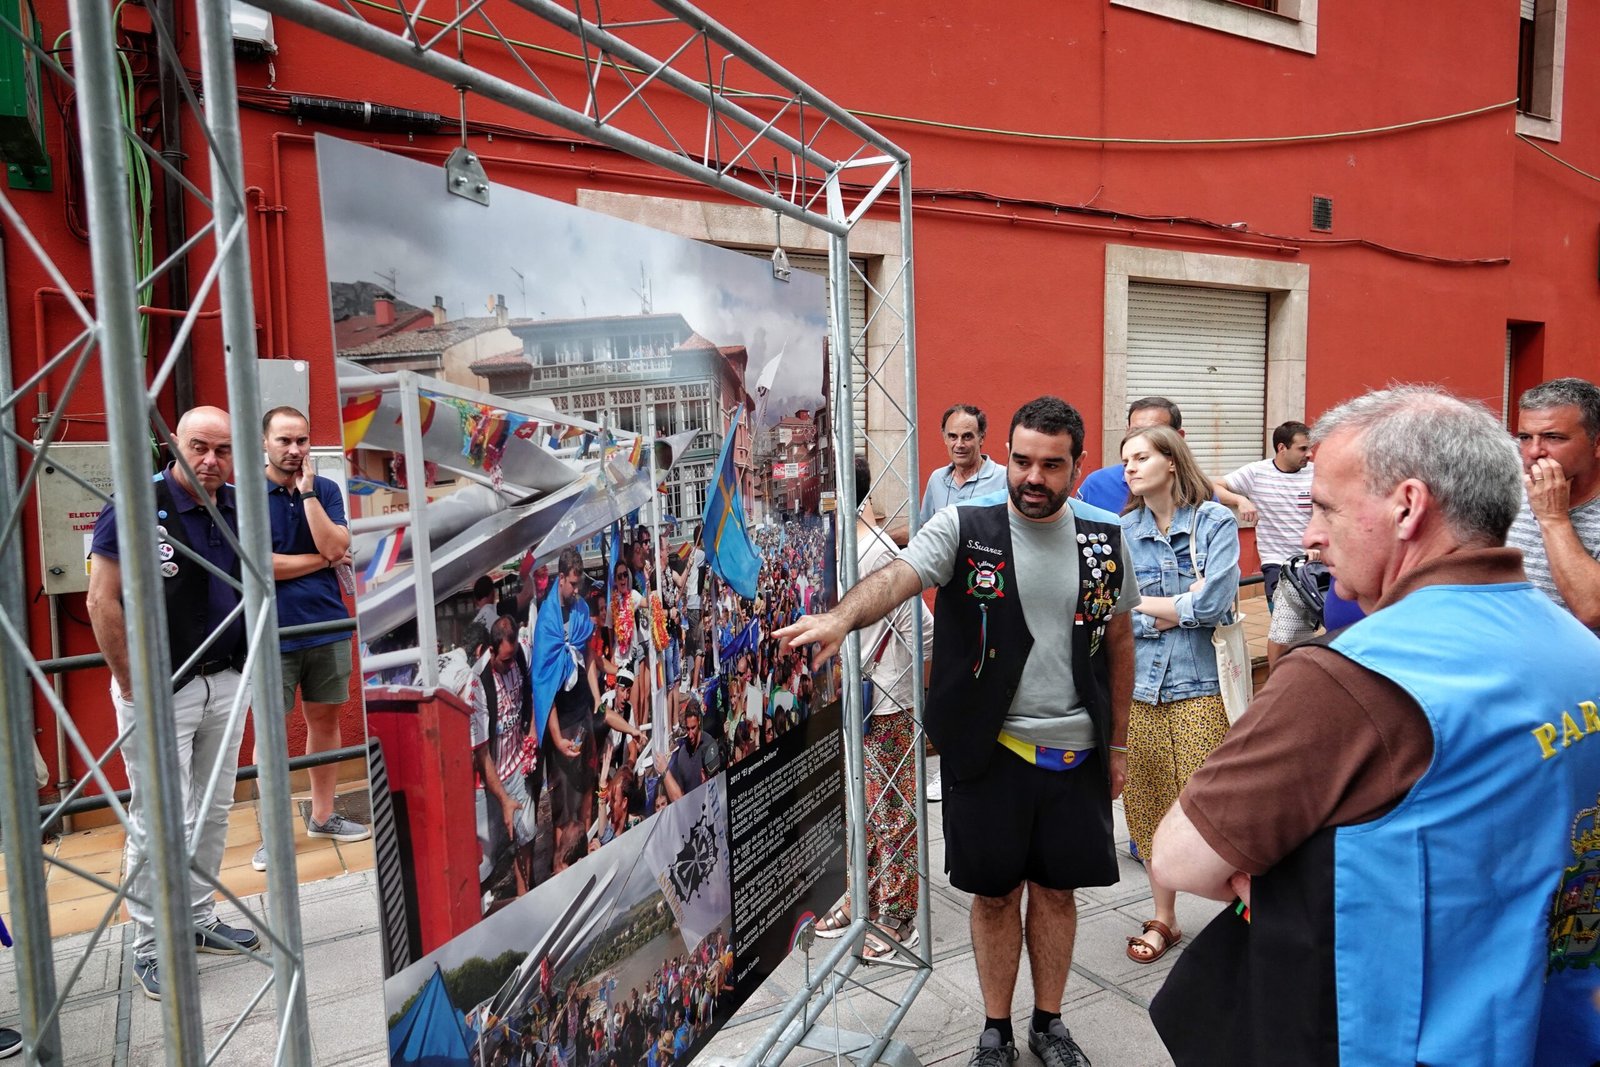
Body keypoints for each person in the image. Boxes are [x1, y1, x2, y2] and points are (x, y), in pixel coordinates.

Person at [1148, 386, 1600, 1066]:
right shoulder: (1579, 647)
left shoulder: (1351, 677)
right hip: (1553, 1025)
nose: (1309, 535)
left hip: (1399, 1038)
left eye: (1324, 506)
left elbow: (1180, 858)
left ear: (1408, 506)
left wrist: (1282, 878)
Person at [778, 396, 1137, 1067]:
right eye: (1023, 459)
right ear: (1010, 452)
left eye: (1051, 465)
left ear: (1077, 465)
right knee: (995, 893)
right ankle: (995, 1028)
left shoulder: (1104, 535)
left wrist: (1118, 743)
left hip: (1075, 750)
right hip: (988, 748)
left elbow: (1120, 639)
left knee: (1057, 891)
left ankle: (1050, 1023)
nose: (1033, 475)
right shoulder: (965, 525)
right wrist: (840, 618)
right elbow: (900, 575)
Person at [87, 406, 260, 1000]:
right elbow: (100, 601)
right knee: (160, 821)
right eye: (198, 447)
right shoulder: (136, 504)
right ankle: (149, 944)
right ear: (173, 446)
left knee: (212, 810)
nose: (210, 460)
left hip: (229, 679)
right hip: (161, 688)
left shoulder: (241, 504)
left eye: (222, 450)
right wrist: (133, 685)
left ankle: (198, 917)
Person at [1117, 425, 1240, 964]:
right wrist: (1168, 607)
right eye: (1125, 461)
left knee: (1213, 806)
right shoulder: (1123, 529)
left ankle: (1246, 915)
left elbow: (1215, 605)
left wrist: (1152, 605)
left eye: (1141, 457)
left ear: (1172, 461)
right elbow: (1116, 611)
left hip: (1202, 686)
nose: (1130, 468)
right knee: (1147, 807)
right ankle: (1163, 917)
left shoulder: (1215, 521)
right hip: (1141, 690)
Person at [815, 455, 933, 960]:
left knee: (891, 813)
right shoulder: (842, 546)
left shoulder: (878, 550)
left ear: (842, 493)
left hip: (884, 703)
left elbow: (925, 632)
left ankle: (897, 913)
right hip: (855, 701)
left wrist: (888, 682)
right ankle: (858, 893)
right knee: (856, 807)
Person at [255, 407, 366, 874]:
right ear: (265, 443)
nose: (295, 450)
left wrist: (306, 498)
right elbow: (260, 564)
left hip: (326, 624)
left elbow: (337, 547)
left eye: (302, 440)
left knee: (324, 721)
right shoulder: (244, 496)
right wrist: (319, 559)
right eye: (284, 441)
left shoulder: (325, 490)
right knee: (270, 733)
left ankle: (323, 816)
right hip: (271, 630)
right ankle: (275, 836)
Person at [916, 402, 1007, 803]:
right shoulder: (938, 480)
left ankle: (993, 764)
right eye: (952, 436)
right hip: (951, 600)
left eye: (967, 436)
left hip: (994, 600)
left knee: (990, 681)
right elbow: (923, 534)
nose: (959, 443)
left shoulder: (1003, 478)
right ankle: (950, 767)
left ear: (982, 438)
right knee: (951, 686)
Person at [1506, 376, 1600, 633]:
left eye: (1553, 437)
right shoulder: (1508, 487)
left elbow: (1591, 609)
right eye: (1525, 437)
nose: (1534, 451)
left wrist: (1554, 518)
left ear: (1597, 443)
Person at [1218, 420, 1315, 666]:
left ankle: (1301, 677)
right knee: (1283, 629)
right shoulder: (1256, 472)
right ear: (1282, 448)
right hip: (1277, 563)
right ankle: (1277, 683)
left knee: (1309, 629)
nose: (1310, 454)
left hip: (1315, 560)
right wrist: (1240, 500)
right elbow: (1212, 486)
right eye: (1302, 449)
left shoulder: (1317, 473)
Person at [532, 548, 600, 873]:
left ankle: (583, 861)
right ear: (561, 579)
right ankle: (560, 868)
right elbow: (545, 688)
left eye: (579, 584)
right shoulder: (546, 623)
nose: (577, 590)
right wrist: (557, 739)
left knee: (587, 788)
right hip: (562, 727)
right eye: (573, 584)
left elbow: (586, 652)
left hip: (582, 713)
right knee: (562, 808)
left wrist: (596, 696)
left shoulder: (581, 608)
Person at [1074, 397, 1252, 516]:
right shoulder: (1097, 485)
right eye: (1135, 432)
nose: (1142, 439)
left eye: (1154, 432)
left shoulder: (1200, 496)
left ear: (1178, 438)